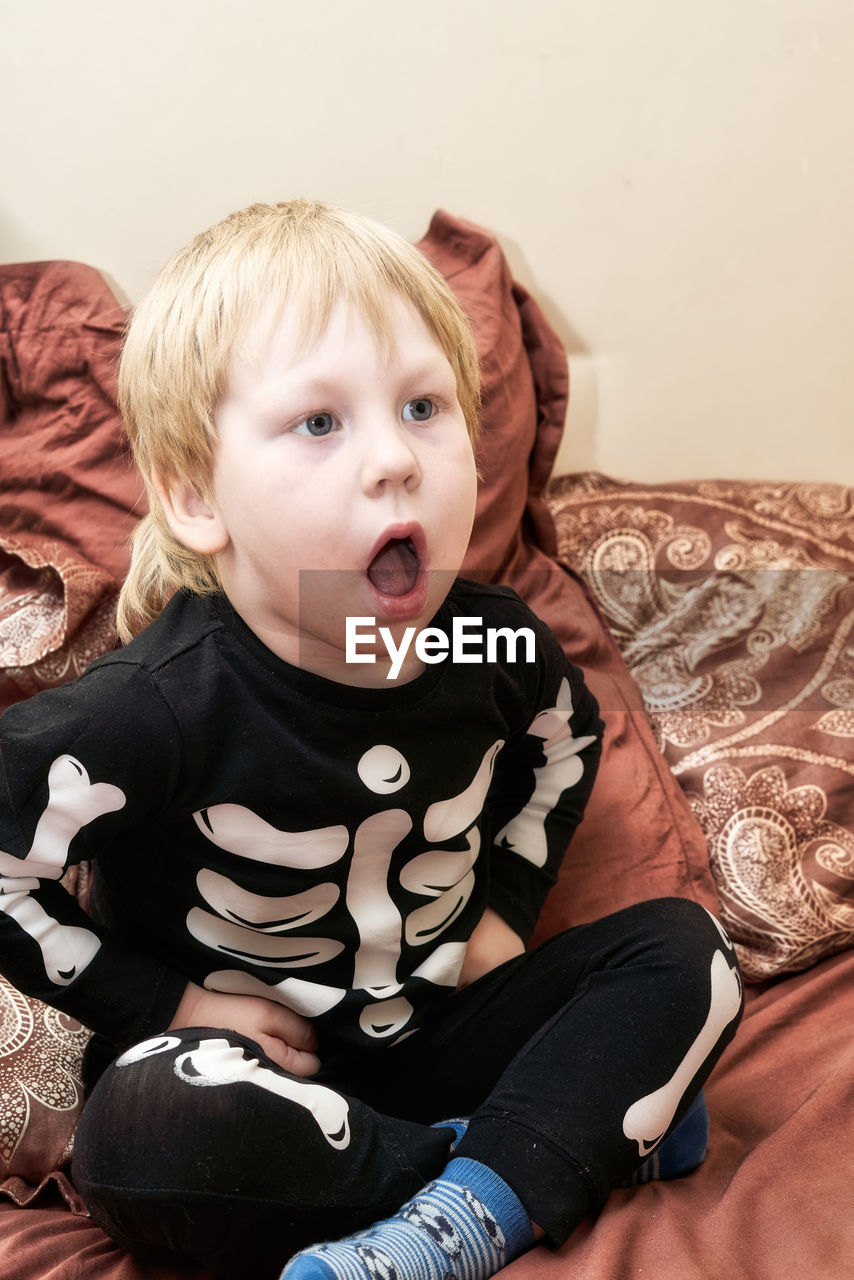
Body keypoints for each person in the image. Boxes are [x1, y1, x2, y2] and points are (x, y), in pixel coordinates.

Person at [0, 200, 743, 1280]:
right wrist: (168, 1003)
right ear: (197, 494)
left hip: (449, 1023)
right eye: (319, 422)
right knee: (142, 1139)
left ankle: (454, 1218)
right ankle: (538, 1150)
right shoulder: (157, 702)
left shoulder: (488, 639)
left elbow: (565, 742)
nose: (394, 458)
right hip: (252, 1069)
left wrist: (504, 907)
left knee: (684, 952)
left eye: (423, 406)